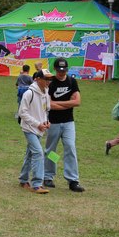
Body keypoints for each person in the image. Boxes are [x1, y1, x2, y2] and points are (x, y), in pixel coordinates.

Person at [44, 57, 84, 192]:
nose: (62, 72)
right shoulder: (50, 83)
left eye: (64, 70)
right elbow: (48, 105)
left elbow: (77, 102)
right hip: (53, 122)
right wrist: (68, 103)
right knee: (51, 150)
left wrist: (58, 104)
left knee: (70, 148)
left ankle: (73, 180)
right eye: (60, 70)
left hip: (68, 122)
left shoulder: (72, 81)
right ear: (55, 69)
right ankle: (48, 176)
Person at [17, 69, 53, 194]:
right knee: (38, 153)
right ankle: (37, 184)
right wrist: (37, 124)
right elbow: (22, 113)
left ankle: (23, 179)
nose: (49, 81)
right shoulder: (29, 93)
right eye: (46, 79)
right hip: (29, 128)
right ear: (38, 79)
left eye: (50, 79)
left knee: (30, 154)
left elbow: (45, 110)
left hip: (39, 129)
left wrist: (46, 121)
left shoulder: (46, 92)